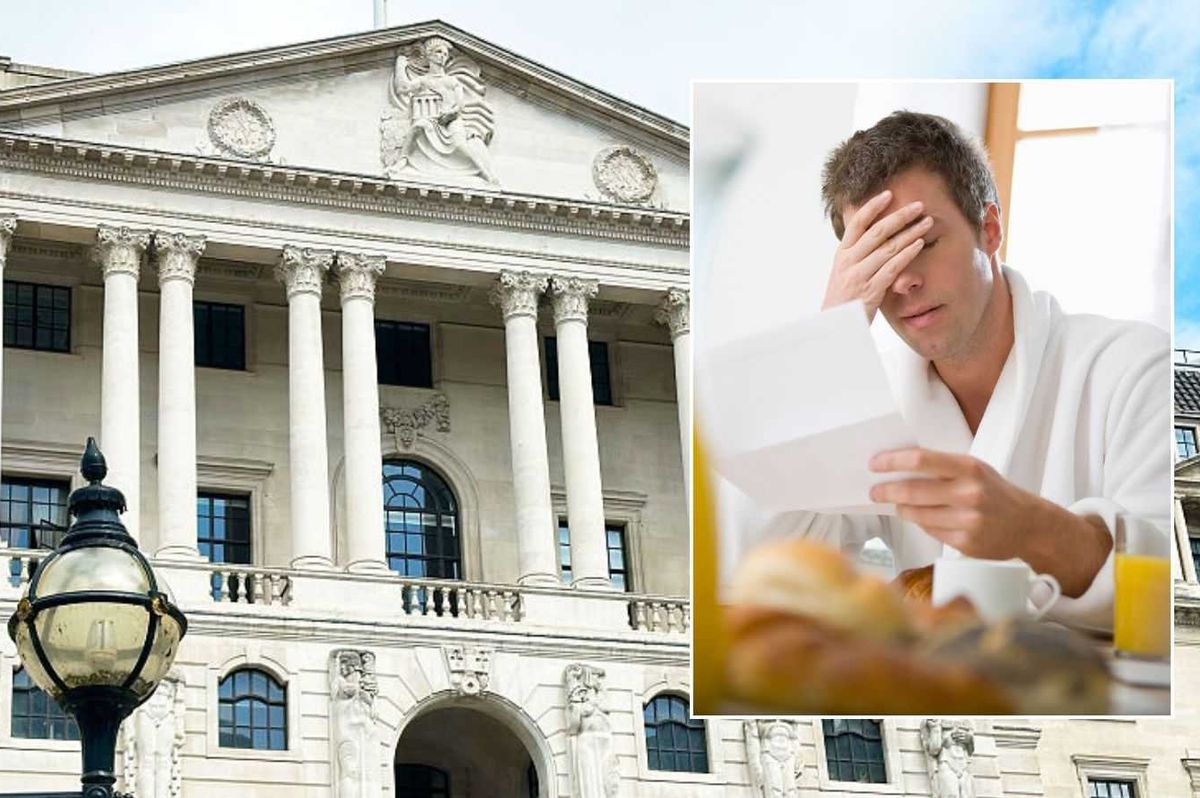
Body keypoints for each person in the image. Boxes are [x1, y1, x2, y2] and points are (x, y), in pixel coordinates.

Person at [759, 111, 1168, 630]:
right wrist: (830, 334)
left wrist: (1031, 530)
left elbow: (1166, 603)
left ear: (989, 229)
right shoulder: (875, 400)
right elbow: (763, 571)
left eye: (924, 243)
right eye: (879, 258)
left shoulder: (1135, 369)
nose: (903, 281)